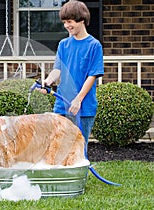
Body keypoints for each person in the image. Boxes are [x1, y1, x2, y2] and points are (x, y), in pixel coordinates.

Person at [37, 0, 104, 145]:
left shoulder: (94, 46)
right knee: (59, 147)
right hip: (62, 104)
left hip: (83, 107)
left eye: (69, 21)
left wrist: (78, 99)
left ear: (82, 20)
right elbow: (57, 69)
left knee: (78, 150)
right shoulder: (63, 45)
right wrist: (48, 80)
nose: (66, 26)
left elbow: (92, 76)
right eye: (64, 22)